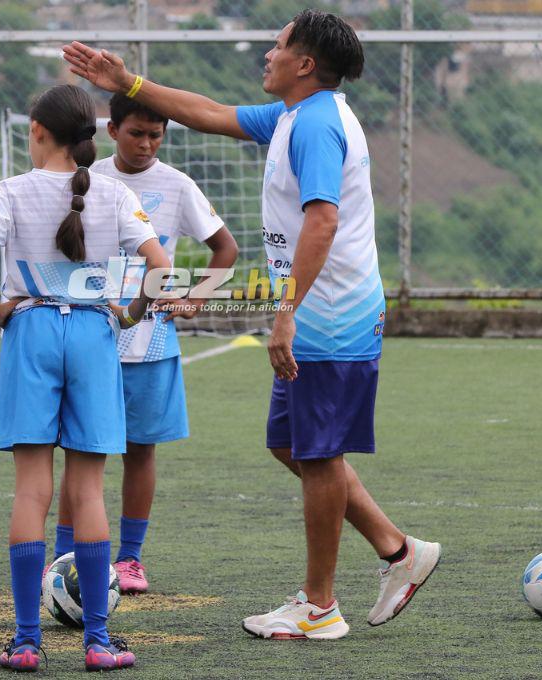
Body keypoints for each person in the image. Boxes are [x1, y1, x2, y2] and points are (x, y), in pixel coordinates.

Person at [63, 9, 441, 640]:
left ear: (306, 63)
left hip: (330, 314)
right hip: (320, 311)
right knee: (290, 445)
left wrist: (285, 313)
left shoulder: (318, 123)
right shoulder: (295, 114)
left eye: (279, 44)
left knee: (318, 454)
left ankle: (318, 607)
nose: (268, 53)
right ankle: (398, 551)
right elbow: (207, 112)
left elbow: (323, 222)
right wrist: (126, 83)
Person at [0, 84, 170, 671]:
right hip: (94, 334)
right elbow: (161, 265)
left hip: (31, 329)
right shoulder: (115, 192)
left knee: (32, 488)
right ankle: (98, 642)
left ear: (37, 131)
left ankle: (26, 643)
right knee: (89, 489)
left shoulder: (9, 191)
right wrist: (129, 314)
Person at [51, 93, 239, 595]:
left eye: (157, 135)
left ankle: (130, 560)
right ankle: (64, 556)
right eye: (137, 133)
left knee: (140, 450)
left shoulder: (176, 185)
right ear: (112, 130)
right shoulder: (87, 179)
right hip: (90, 337)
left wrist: (196, 299)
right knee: (80, 450)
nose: (147, 144)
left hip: (151, 343)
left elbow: (226, 248)